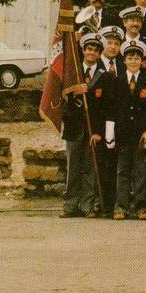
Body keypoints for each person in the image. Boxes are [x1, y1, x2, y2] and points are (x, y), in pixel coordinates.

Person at [107, 40, 146, 221]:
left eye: (137, 58)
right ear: (124, 61)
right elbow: (112, 110)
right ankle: (120, 206)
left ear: (142, 61)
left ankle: (142, 206)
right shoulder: (117, 81)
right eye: (130, 58)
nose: (133, 61)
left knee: (142, 171)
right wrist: (110, 135)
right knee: (122, 171)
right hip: (122, 134)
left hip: (141, 135)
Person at [61, 32, 109, 218]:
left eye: (96, 50)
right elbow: (62, 102)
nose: (91, 53)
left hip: (92, 129)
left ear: (99, 53)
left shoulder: (103, 76)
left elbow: (106, 107)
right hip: (74, 127)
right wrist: (74, 91)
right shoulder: (72, 73)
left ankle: (86, 204)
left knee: (90, 167)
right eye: (89, 49)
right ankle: (70, 204)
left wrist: (99, 131)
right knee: (72, 168)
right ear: (83, 50)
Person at [95, 26, 125, 216]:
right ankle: (101, 202)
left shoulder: (124, 64)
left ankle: (116, 202)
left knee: (116, 163)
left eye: (116, 43)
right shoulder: (94, 65)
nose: (113, 47)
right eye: (109, 43)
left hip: (120, 122)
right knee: (101, 163)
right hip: (100, 122)